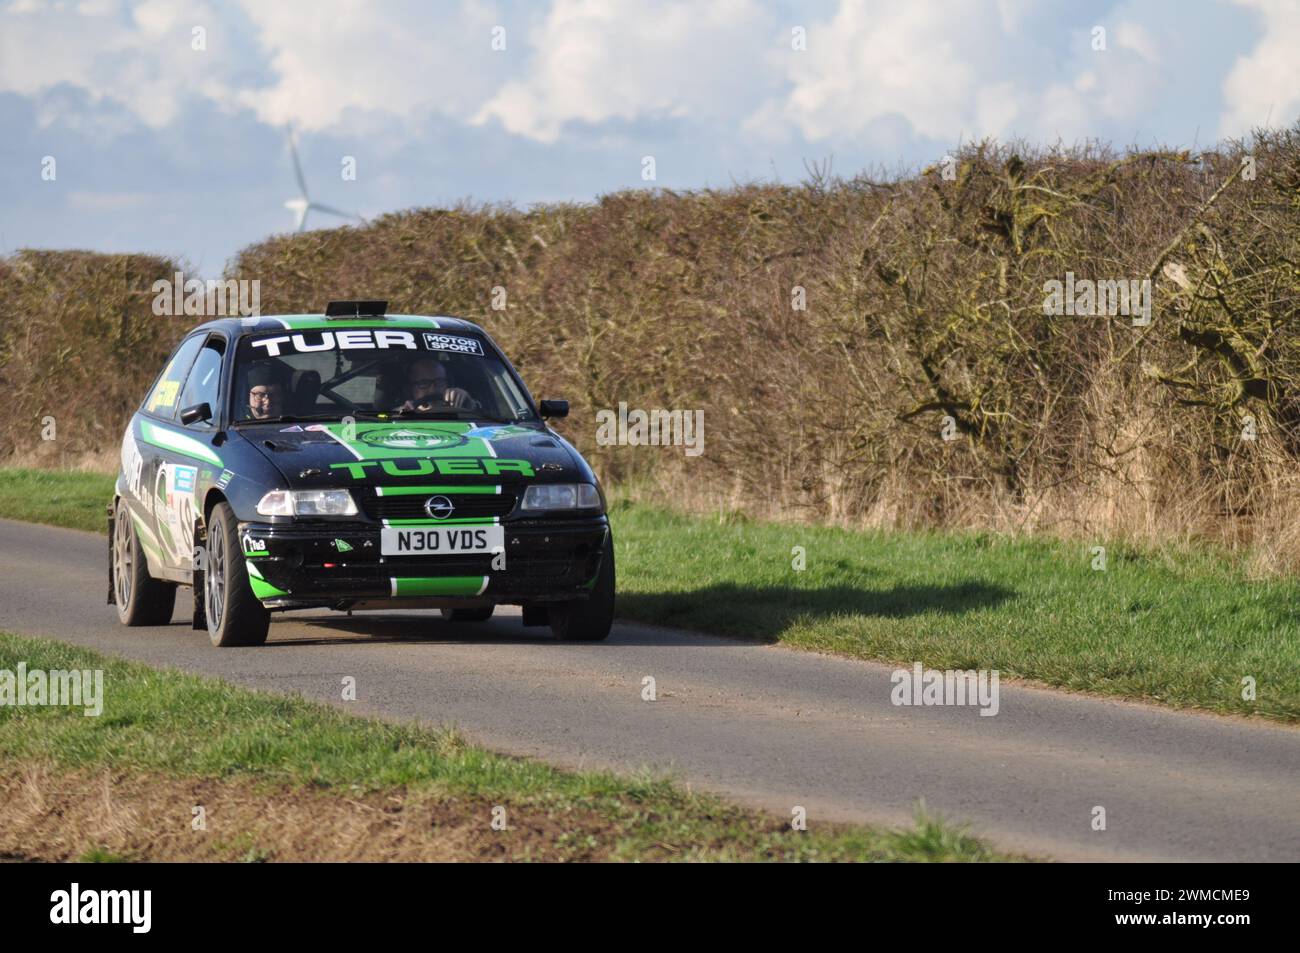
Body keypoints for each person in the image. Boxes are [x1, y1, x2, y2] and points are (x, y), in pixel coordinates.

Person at [397, 356, 477, 412]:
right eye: (424, 383)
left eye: (439, 382)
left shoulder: (461, 407)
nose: (433, 389)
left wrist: (469, 403)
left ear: (447, 384)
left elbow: (484, 415)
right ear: (410, 389)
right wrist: (401, 414)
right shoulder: (400, 413)